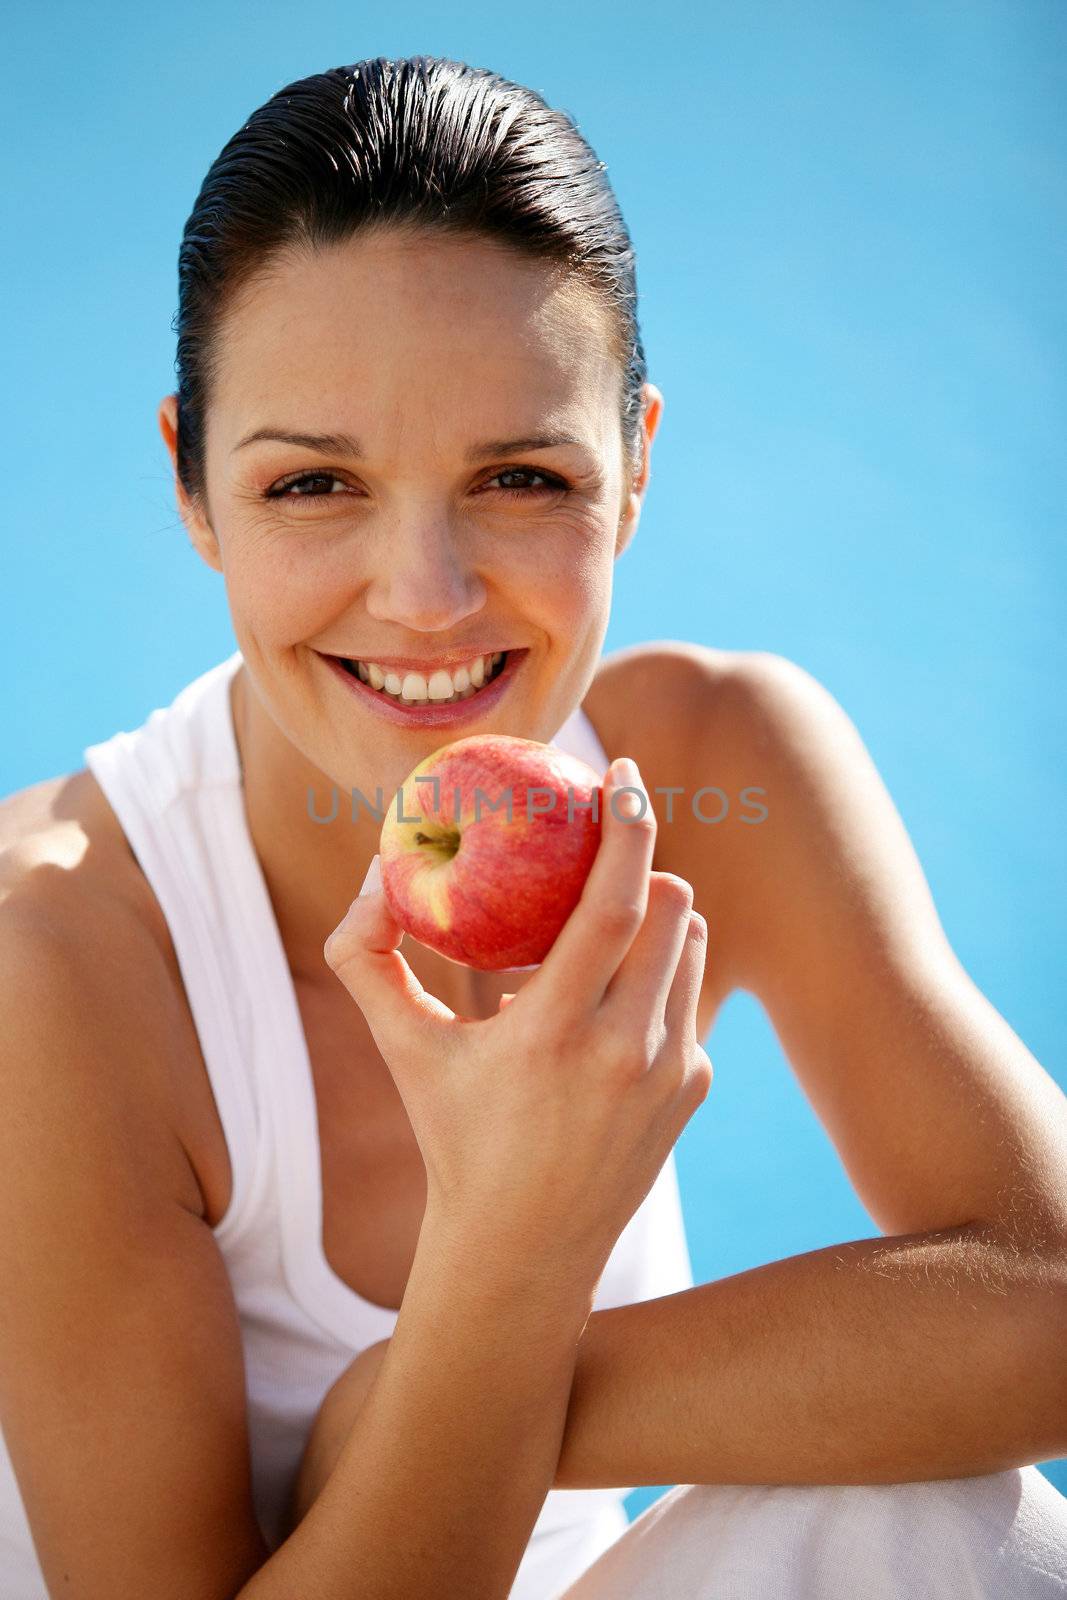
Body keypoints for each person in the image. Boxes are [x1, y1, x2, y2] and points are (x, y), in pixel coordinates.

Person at [0, 52, 1065, 1600]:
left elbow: (1046, 1289)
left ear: (635, 469)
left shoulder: (720, 763)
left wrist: (409, 1400)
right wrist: (506, 1258)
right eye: (311, 485)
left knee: (943, 1526)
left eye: (519, 475)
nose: (424, 598)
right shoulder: (56, 957)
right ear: (192, 486)